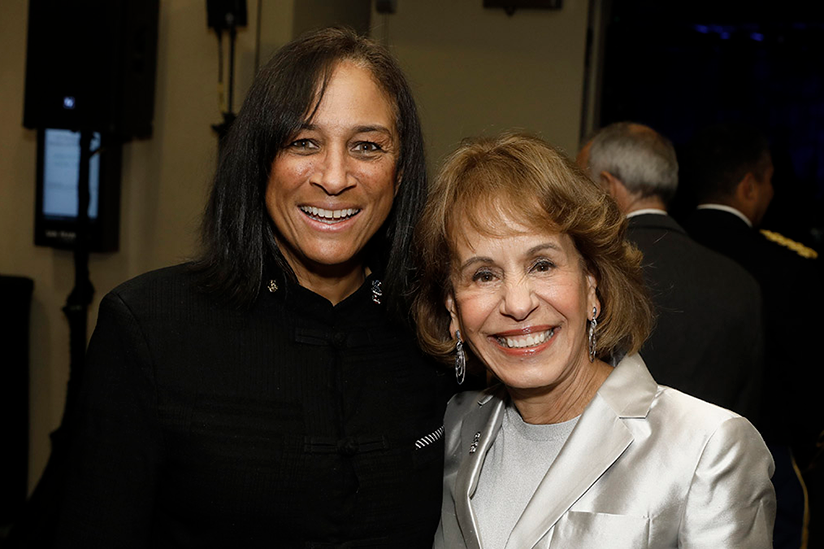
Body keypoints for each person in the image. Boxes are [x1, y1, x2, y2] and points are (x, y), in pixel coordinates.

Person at [53, 27, 453, 547]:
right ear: (260, 162)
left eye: (367, 146)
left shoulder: (435, 334)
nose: (334, 177)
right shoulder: (151, 327)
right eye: (303, 142)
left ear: (400, 174)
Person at [413, 132, 776, 548]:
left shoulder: (708, 448)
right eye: (484, 275)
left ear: (592, 287)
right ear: (454, 310)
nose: (516, 303)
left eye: (542, 265)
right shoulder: (457, 426)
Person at [681, 123, 824, 549]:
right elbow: (808, 377)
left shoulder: (660, 251)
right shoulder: (790, 266)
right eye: (769, 181)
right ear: (748, 185)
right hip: (765, 456)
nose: (772, 193)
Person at [578, 122, 764, 423]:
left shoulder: (596, 273)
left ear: (607, 186)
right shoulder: (740, 282)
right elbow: (747, 406)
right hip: (712, 461)